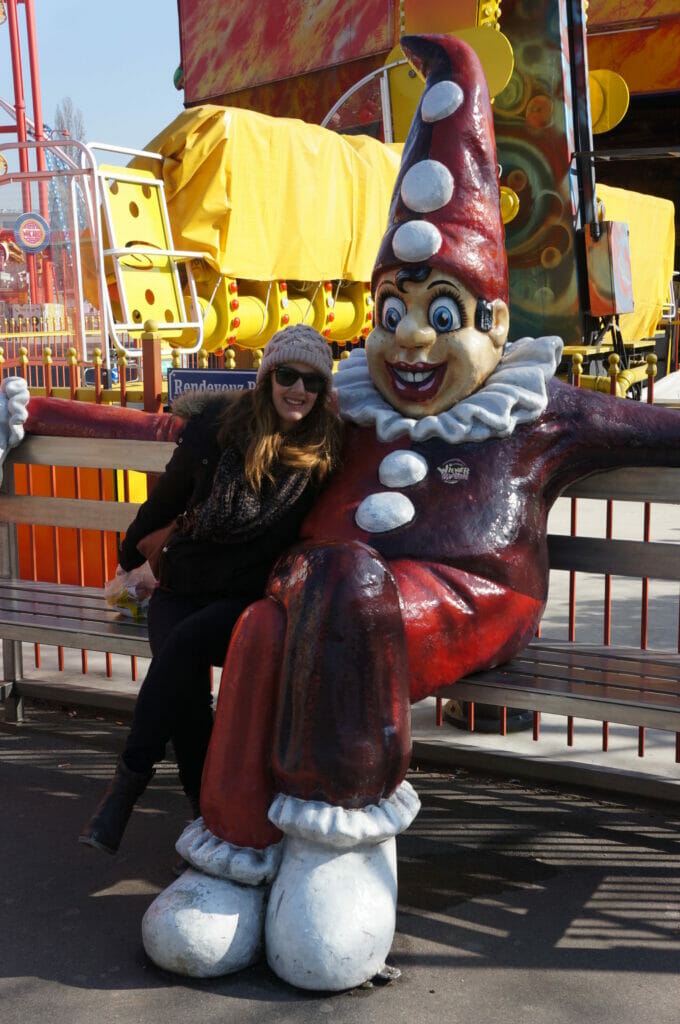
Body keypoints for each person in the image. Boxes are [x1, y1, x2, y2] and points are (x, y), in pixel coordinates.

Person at [138, 33, 680, 991]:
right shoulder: (351, 398)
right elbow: (214, 415)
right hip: (325, 601)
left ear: (492, 326)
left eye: (441, 313)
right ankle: (231, 856)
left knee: (336, 591)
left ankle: (337, 849)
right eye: (393, 311)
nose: (411, 341)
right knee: (270, 625)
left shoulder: (534, 407)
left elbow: (658, 428)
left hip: (465, 601)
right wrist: (30, 412)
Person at [78, 325, 342, 857]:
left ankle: (126, 788)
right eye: (287, 375)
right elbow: (163, 501)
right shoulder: (217, 429)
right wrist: (130, 561)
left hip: (246, 600)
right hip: (182, 582)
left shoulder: (323, 450)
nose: (298, 390)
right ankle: (206, 821)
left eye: (311, 382)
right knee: (185, 690)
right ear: (267, 376)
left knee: (182, 649)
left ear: (321, 391)